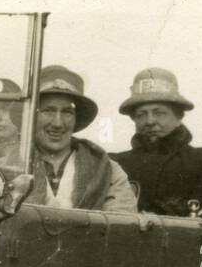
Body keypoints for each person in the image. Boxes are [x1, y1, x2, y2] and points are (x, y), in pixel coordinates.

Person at [19, 65, 138, 213]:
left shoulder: (107, 169)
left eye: (67, 112)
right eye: (48, 111)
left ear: (76, 118)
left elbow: (121, 223)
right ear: (31, 116)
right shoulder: (11, 165)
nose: (57, 123)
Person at [111, 68, 202, 216]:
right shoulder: (115, 163)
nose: (150, 121)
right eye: (141, 114)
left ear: (178, 117)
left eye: (159, 113)